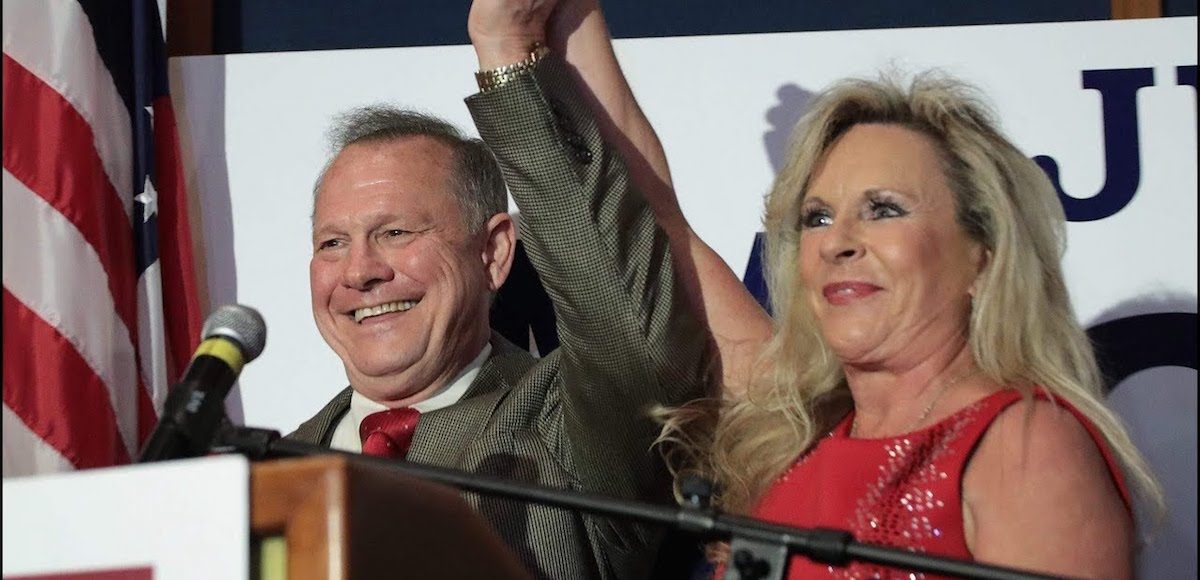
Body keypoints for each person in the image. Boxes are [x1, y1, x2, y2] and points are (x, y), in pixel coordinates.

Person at [478, 1, 1166, 578]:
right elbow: (654, 218)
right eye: (816, 217)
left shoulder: (1023, 445)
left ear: (983, 253)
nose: (838, 241)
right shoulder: (794, 428)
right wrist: (542, 27)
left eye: (885, 208)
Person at [286, 13, 709, 579]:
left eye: (395, 233)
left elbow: (619, 320)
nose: (359, 271)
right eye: (333, 242)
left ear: (493, 253)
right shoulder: (269, 471)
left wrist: (506, 52)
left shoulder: (564, 426)